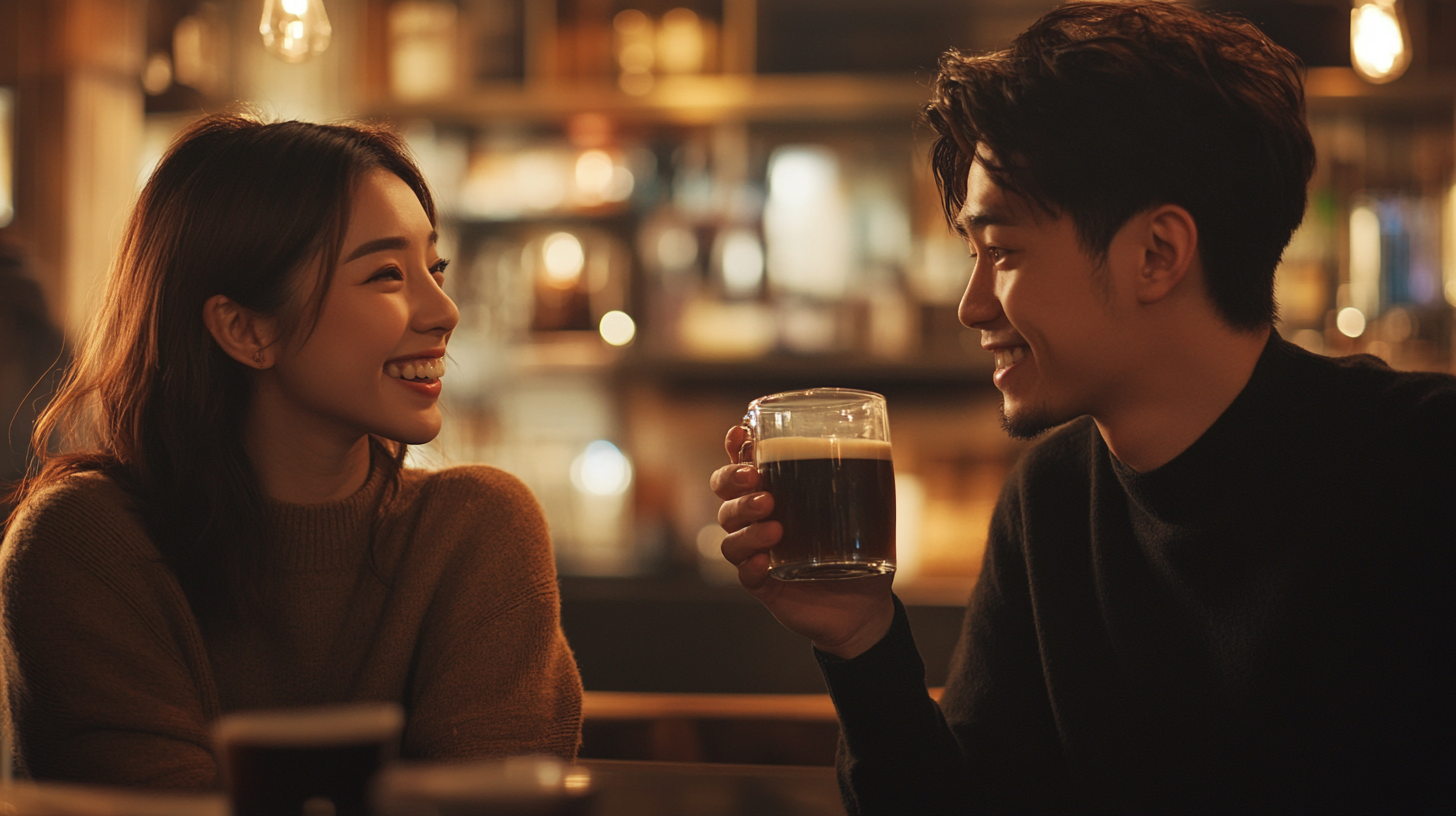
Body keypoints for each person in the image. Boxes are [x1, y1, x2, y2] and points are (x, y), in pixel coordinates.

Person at [712, 3, 1455, 813]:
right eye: (972, 254)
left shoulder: (1421, 464)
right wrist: (860, 638)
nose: (971, 305)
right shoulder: (1053, 504)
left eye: (1003, 253)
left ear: (1157, 254)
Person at [1, 113, 583, 787]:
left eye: (435, 266)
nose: (443, 310)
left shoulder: (476, 531)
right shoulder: (86, 546)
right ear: (245, 328)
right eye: (388, 275)